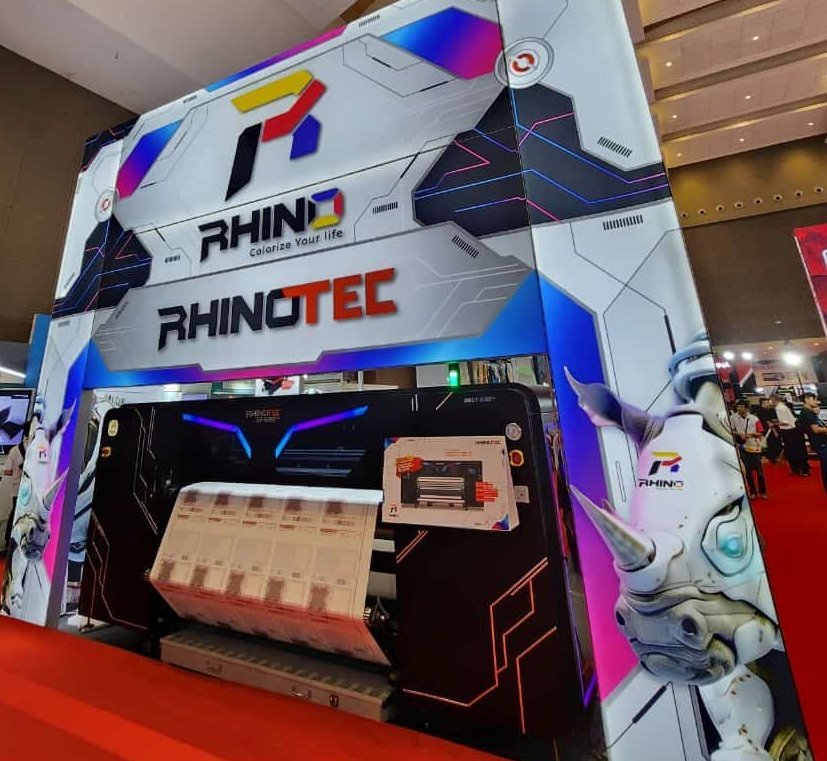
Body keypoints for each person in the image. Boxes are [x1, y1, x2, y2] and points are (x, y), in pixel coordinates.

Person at [731, 401, 767, 499]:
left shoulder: (754, 419)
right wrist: (739, 434)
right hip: (742, 446)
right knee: (747, 471)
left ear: (747, 408)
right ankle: (752, 492)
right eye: (738, 407)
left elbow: (760, 432)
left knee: (759, 471)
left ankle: (762, 492)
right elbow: (731, 430)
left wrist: (750, 434)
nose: (739, 408)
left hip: (755, 446)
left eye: (741, 406)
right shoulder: (733, 417)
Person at [771, 394, 809, 476]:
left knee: (795, 452)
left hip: (791, 432)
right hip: (791, 431)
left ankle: (800, 470)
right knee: (795, 451)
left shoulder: (780, 408)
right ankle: (800, 470)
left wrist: (775, 423)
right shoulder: (782, 407)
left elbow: (785, 423)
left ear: (774, 400)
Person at [798, 393, 827, 493]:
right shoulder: (807, 413)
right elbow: (815, 429)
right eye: (814, 399)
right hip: (820, 443)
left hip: (820, 442)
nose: (816, 402)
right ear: (807, 399)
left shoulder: (809, 413)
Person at [2, 435, 27, 553]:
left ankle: (9, 542)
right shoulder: (37, 449)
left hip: (17, 490)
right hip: (31, 491)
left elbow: (7, 471)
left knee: (15, 516)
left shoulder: (14, 450)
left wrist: (16, 471)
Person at [757, 397, 783, 464]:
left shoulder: (772, 410)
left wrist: (776, 421)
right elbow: (768, 423)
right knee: (771, 445)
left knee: (778, 445)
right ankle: (772, 459)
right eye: (766, 403)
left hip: (777, 429)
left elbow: (776, 419)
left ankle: (776, 458)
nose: (768, 404)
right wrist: (774, 431)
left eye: (768, 402)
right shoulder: (761, 412)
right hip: (768, 432)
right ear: (762, 404)